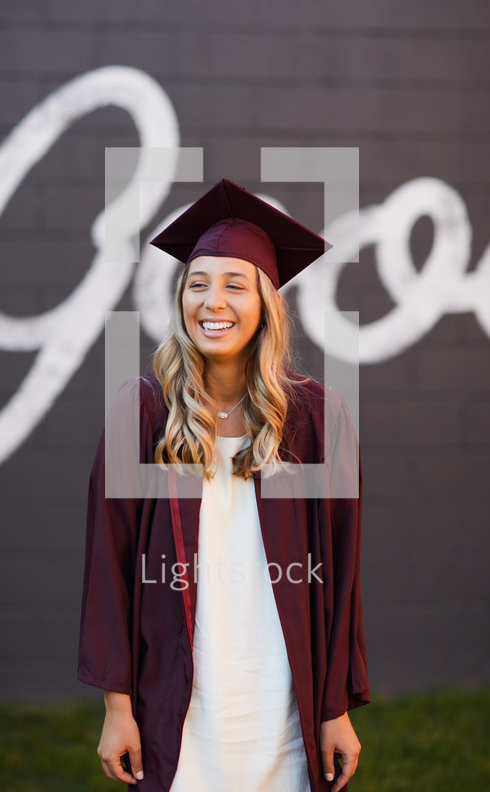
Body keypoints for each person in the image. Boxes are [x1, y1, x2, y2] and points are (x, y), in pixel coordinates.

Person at [78, 178, 370, 792]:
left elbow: (341, 572)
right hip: (180, 695)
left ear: (266, 301)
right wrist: (117, 708)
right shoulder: (145, 411)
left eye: (235, 285)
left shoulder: (319, 420)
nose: (213, 302)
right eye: (198, 283)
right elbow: (110, 561)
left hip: (284, 691)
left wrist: (335, 706)